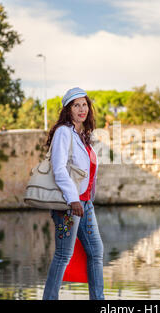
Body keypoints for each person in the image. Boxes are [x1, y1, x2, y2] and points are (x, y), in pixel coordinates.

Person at [42, 87, 104, 300]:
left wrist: (83, 200)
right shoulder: (63, 132)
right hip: (70, 205)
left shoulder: (83, 135)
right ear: (68, 109)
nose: (82, 109)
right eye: (76, 105)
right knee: (63, 255)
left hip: (86, 204)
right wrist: (73, 199)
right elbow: (59, 169)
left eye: (84, 104)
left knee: (96, 253)